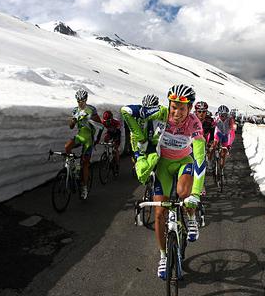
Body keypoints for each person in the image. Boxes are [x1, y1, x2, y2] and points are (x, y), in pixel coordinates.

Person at [121, 84, 206, 279]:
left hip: (184, 161)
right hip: (163, 166)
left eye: (182, 108)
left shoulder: (194, 123)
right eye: (173, 106)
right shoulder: (161, 113)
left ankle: (191, 218)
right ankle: (162, 256)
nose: (176, 112)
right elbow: (126, 111)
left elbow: (200, 159)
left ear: (190, 108)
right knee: (160, 212)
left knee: (184, 192)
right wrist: (139, 129)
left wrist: (196, 194)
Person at [64, 89, 103, 200]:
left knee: (85, 163)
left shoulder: (91, 110)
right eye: (78, 100)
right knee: (67, 147)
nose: (80, 102)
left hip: (89, 139)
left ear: (86, 100)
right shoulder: (75, 110)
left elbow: (100, 125)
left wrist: (97, 139)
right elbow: (71, 126)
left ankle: (84, 187)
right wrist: (75, 119)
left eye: (82, 100)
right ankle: (74, 169)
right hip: (80, 136)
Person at [209, 104, 237, 171]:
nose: (223, 117)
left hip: (226, 134)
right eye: (222, 115)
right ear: (219, 114)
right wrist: (212, 125)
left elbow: (232, 133)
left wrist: (228, 145)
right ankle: (209, 161)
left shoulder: (230, 119)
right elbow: (212, 124)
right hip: (218, 133)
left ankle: (221, 168)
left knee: (224, 152)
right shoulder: (217, 118)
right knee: (213, 146)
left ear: (228, 115)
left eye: (225, 115)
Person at [101, 110, 122, 177]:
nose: (107, 123)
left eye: (108, 121)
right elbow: (100, 132)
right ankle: (106, 154)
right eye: (105, 121)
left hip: (116, 134)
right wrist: (97, 140)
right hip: (110, 133)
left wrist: (115, 142)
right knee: (105, 139)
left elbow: (118, 133)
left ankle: (117, 165)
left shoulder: (116, 122)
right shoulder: (103, 122)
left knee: (115, 149)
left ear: (111, 119)